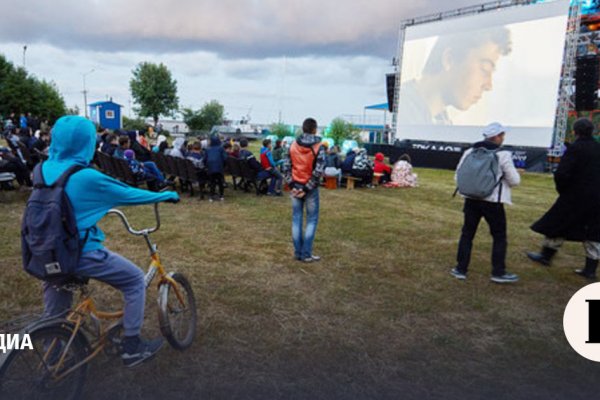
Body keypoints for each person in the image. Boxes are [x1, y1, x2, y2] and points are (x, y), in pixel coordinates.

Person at [41, 115, 179, 367]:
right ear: (88, 142)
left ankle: (50, 352)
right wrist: (167, 194)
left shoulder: (41, 169)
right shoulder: (85, 177)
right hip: (79, 251)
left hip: (44, 251)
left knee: (56, 307)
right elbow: (127, 194)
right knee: (135, 280)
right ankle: (132, 347)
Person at [527, 118, 600, 280]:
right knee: (593, 232)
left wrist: (564, 190)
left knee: (558, 225)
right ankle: (590, 269)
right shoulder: (598, 148)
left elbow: (561, 174)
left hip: (575, 196)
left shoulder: (575, 149)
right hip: (597, 198)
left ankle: (546, 256)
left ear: (575, 132)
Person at [450, 122, 520, 283]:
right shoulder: (503, 155)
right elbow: (515, 181)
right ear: (496, 136)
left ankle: (460, 269)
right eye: (502, 135)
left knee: (467, 234)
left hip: (471, 199)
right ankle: (498, 272)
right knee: (499, 236)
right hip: (493, 201)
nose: (503, 138)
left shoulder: (470, 151)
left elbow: (458, 175)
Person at [397, 27, 511, 126]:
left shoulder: (437, 119)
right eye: (485, 69)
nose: (489, 86)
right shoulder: (402, 114)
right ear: (449, 59)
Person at [283, 118, 326, 263]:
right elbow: (319, 171)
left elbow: (286, 167)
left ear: (303, 128)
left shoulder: (292, 145)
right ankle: (306, 253)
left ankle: (298, 252)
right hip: (310, 188)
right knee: (311, 220)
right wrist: (307, 188)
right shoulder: (319, 146)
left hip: (295, 185)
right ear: (315, 129)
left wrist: (292, 185)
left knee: (296, 219)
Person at [205, 135, 228, 201]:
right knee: (220, 181)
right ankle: (221, 196)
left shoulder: (208, 149)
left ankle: (211, 196)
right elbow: (225, 158)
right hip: (219, 168)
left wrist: (206, 166)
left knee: (212, 182)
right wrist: (224, 165)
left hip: (210, 168)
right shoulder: (221, 149)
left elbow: (204, 159)